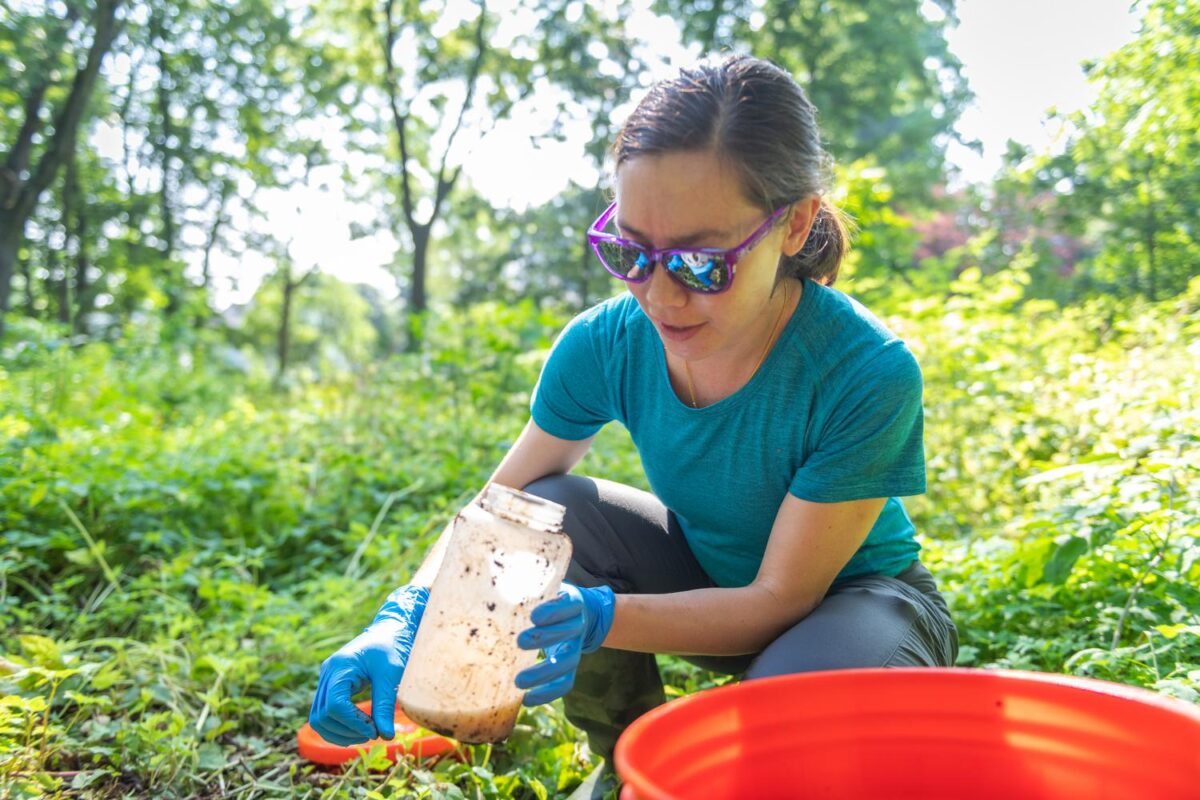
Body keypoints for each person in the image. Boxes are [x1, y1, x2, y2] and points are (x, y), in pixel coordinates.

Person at [308, 54, 958, 790]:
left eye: (701, 263)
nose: (660, 295)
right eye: (631, 251)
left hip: (857, 605)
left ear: (795, 224)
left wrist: (600, 617)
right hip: (701, 582)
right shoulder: (607, 342)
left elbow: (782, 600)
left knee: (781, 734)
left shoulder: (863, 370)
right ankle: (625, 757)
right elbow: (497, 511)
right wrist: (406, 608)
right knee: (549, 508)